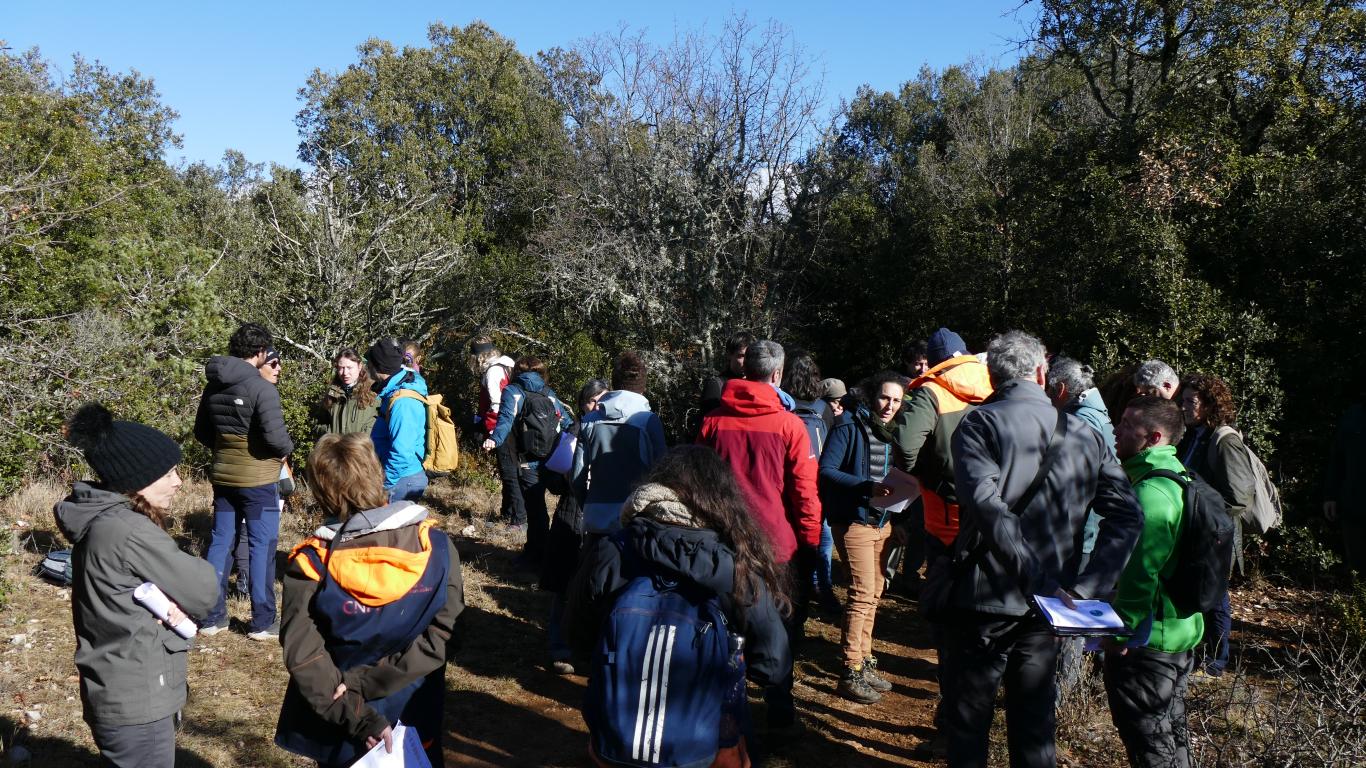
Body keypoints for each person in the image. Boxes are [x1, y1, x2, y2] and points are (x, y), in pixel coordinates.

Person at [945, 329, 1143, 768]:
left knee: (968, 721)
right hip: (1054, 603)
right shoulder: (1084, 434)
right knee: (1034, 723)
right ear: (1040, 372)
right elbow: (1128, 515)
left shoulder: (978, 423)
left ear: (993, 377)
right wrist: (1088, 587)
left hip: (987, 597)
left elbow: (987, 507)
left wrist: (1039, 579)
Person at [572, 445, 791, 768]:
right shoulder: (731, 564)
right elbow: (773, 663)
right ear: (721, 499)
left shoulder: (613, 549)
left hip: (616, 738)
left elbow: (577, 638)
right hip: (709, 744)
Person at [275, 433, 463, 768]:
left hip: (340, 716)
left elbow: (303, 655)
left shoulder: (311, 563)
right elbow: (445, 636)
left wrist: (355, 707)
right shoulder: (436, 546)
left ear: (320, 490)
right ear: (377, 474)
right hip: (414, 710)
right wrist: (373, 681)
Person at [56, 403, 219, 768]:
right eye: (168, 473)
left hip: (115, 685)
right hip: (137, 698)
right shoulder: (130, 531)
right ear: (138, 480)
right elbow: (204, 591)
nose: (178, 481)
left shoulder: (102, 521)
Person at [697, 339, 821, 735]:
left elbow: (697, 484)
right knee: (779, 630)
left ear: (744, 369)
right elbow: (805, 493)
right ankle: (780, 714)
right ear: (778, 374)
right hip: (776, 547)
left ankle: (720, 716)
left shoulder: (712, 422)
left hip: (724, 542)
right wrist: (811, 541)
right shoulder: (790, 426)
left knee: (724, 626)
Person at [1105, 395, 1204, 768]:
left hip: (1150, 641)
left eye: (1129, 425)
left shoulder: (1153, 494)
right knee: (1171, 735)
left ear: (1155, 437)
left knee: (1149, 740)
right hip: (1178, 633)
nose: (1117, 431)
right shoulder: (1178, 475)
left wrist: (1120, 634)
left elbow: (1141, 573)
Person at [194, 322, 294, 640]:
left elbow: (201, 432)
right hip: (259, 484)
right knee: (261, 546)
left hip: (223, 479)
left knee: (221, 541)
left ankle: (212, 618)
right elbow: (278, 441)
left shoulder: (213, 386)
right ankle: (263, 622)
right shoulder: (262, 389)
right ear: (261, 352)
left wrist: (227, 449)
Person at [819, 371, 906, 703]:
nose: (889, 406)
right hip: (854, 521)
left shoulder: (891, 432)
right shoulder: (849, 424)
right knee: (860, 593)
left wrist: (899, 518)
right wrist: (866, 487)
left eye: (896, 400)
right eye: (885, 397)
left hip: (882, 522)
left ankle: (864, 659)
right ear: (873, 395)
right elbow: (826, 471)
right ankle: (850, 669)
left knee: (874, 593)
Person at [1176, 373, 1254, 678]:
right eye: (1182, 400)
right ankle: (1198, 654)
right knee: (1198, 591)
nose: (1183, 407)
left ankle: (1215, 662)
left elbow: (1239, 498)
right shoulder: (1191, 435)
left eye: (1190, 401)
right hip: (1194, 530)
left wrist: (1201, 508)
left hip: (1215, 534)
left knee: (1216, 595)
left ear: (1209, 405)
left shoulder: (1224, 441)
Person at [543, 378, 609, 674]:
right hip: (571, 514)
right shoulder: (571, 433)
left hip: (600, 518)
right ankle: (560, 646)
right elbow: (553, 482)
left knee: (595, 587)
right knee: (564, 586)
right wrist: (568, 477)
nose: (595, 406)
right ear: (582, 404)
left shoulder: (614, 435)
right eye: (590, 401)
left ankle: (588, 647)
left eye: (600, 400)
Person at [483, 355, 574, 569]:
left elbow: (505, 420)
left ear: (517, 372)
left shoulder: (513, 391)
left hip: (528, 460)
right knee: (559, 506)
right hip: (553, 458)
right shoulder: (548, 393)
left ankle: (535, 555)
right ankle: (553, 552)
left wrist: (494, 440)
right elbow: (567, 422)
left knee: (535, 509)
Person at [574, 351, 668, 535]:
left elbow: (577, 476)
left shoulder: (589, 421)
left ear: (614, 384)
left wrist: (587, 504)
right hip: (638, 517)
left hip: (596, 517)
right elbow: (662, 473)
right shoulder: (648, 421)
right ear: (643, 387)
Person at [782, 348, 839, 615]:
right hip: (818, 480)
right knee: (823, 534)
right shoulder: (823, 408)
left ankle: (791, 585)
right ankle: (823, 585)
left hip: (788, 478)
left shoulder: (782, 405)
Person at [367, 337, 430, 503]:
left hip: (401, 481)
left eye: (369, 363)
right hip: (400, 478)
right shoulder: (395, 388)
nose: (366, 367)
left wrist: (383, 487)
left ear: (378, 367)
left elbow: (401, 453)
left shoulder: (403, 402)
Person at [471, 336, 520, 526]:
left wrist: (491, 433)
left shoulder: (492, 372)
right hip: (513, 425)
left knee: (509, 473)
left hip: (501, 427)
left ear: (478, 356)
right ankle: (508, 513)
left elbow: (496, 404)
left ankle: (517, 519)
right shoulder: (508, 365)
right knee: (510, 471)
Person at [1325, 384, 1366, 577]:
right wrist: (1330, 495)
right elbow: (1337, 458)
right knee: (1358, 570)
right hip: (1354, 506)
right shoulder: (1353, 416)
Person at [314, 348, 379, 438]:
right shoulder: (332, 393)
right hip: (335, 449)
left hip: (362, 450)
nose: (345, 373)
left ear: (359, 366)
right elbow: (318, 423)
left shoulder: (374, 392)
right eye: (341, 368)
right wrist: (329, 433)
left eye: (349, 368)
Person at [699, 330, 754, 417]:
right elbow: (708, 424)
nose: (746, 361)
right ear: (729, 355)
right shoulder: (716, 386)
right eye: (741, 356)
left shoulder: (757, 384)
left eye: (750, 356)